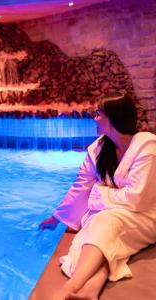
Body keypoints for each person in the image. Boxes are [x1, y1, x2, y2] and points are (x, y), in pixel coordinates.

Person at [39, 92, 156, 300]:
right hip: (113, 216)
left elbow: (136, 199)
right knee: (103, 238)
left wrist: (100, 193)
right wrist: (57, 218)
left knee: (104, 222)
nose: (95, 119)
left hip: (145, 217)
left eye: (99, 114)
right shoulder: (99, 149)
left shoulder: (147, 147)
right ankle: (90, 291)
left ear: (114, 117)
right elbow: (81, 186)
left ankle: (70, 287)